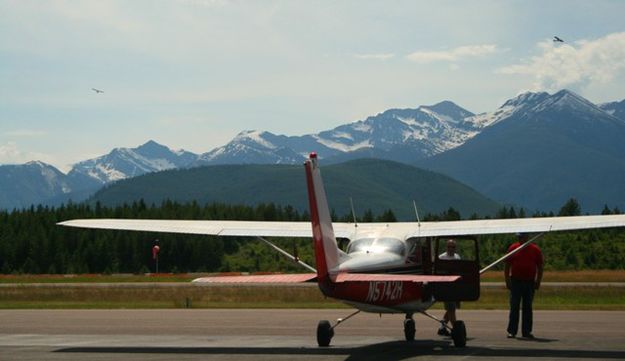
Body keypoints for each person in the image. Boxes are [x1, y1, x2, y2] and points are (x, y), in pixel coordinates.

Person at [505, 233, 543, 339]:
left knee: (528, 307)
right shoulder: (513, 248)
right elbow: (507, 265)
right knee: (514, 307)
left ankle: (526, 331)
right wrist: (507, 280)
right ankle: (512, 331)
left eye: (522, 236)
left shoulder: (535, 249)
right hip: (516, 282)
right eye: (519, 237)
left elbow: (540, 266)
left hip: (529, 282)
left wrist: (538, 281)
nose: (520, 238)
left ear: (527, 237)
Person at [437, 239, 461, 336]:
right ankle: (455, 329)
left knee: (452, 308)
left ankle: (442, 328)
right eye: (449, 247)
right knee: (451, 309)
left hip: (454, 287)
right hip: (446, 287)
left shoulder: (457, 257)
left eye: (453, 247)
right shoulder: (441, 257)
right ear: (446, 247)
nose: (451, 249)